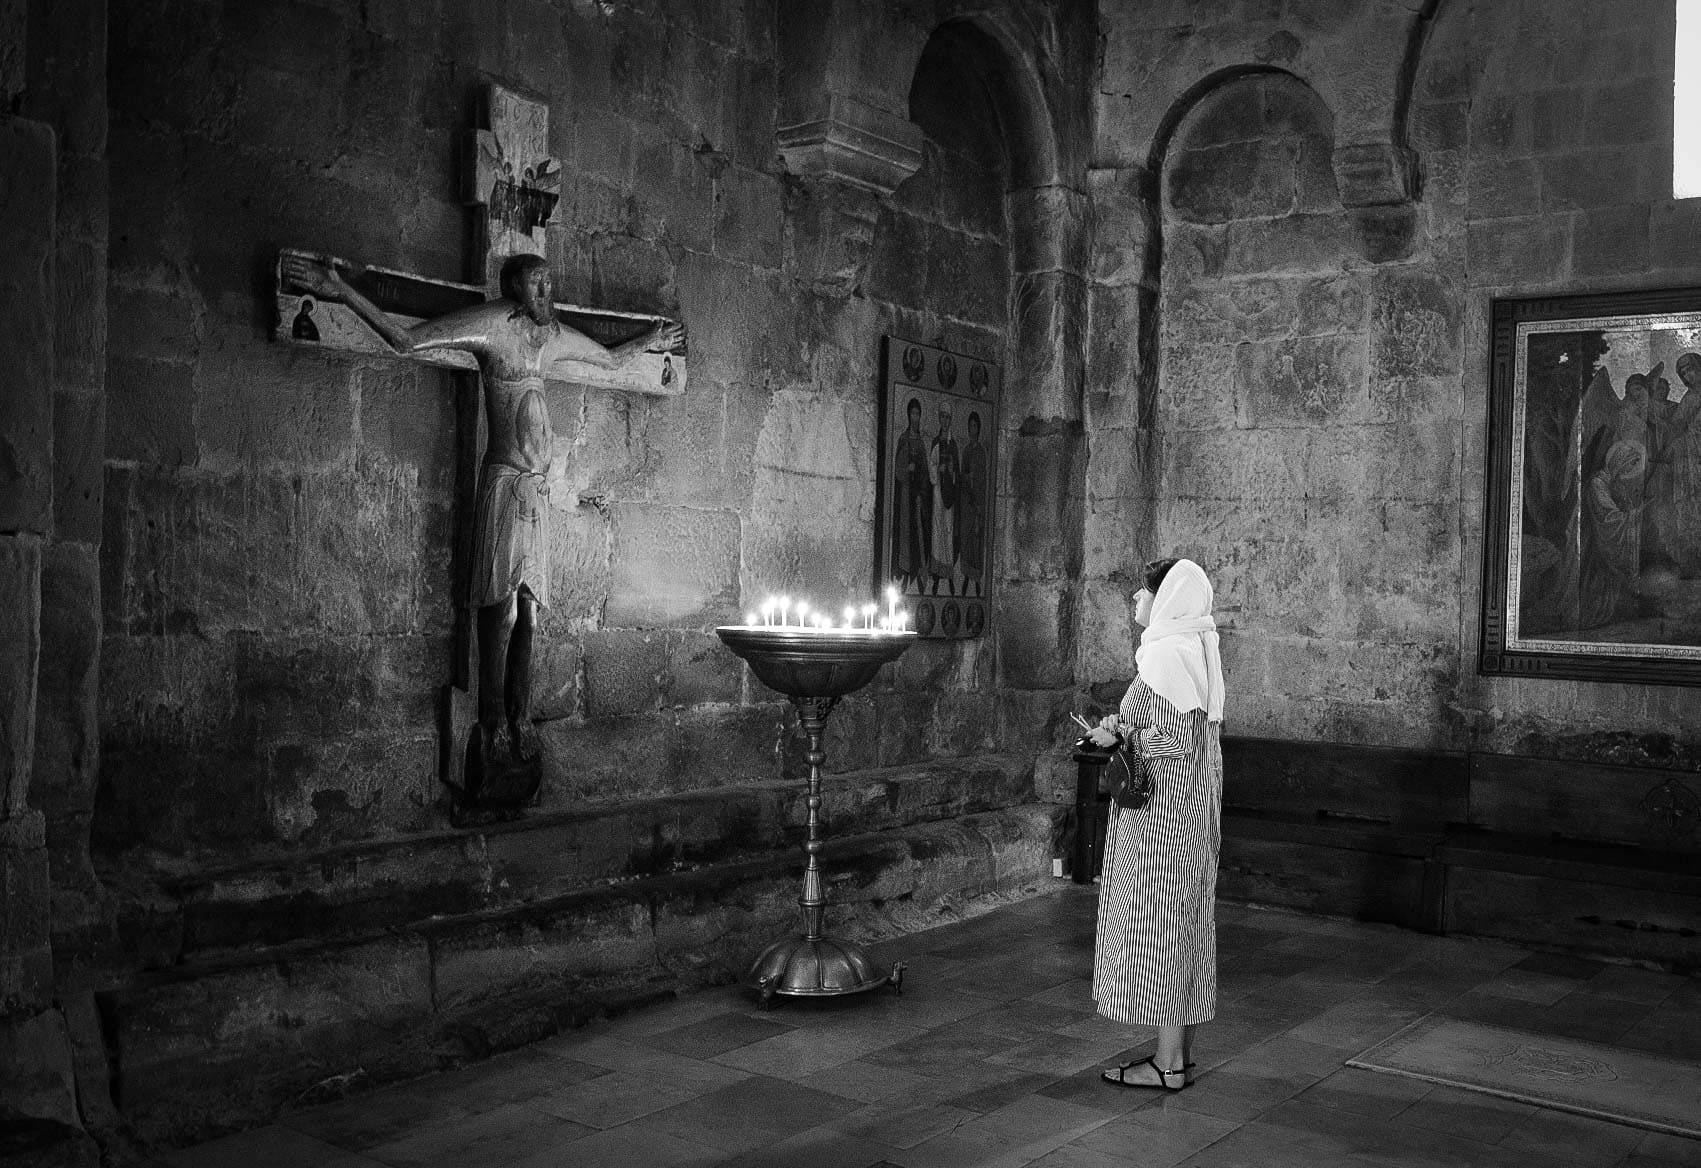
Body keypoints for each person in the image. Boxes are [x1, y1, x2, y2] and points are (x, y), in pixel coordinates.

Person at [280, 250, 683, 792]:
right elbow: (407, 340)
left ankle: (521, 719)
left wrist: (649, 340)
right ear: (514, 291)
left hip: (538, 495)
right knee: (500, 615)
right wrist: (341, 290)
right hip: (504, 486)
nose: (547, 296)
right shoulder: (492, 328)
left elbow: (609, 362)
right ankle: (491, 724)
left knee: (531, 616)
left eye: (548, 285)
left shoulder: (551, 335)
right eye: (536, 287)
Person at [1088, 557, 1226, 1091]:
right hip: (1190, 817)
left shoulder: (1166, 655)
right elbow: (1190, 735)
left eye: (1142, 594)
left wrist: (1120, 739)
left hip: (1161, 825)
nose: (1135, 602)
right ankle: (1177, 1060)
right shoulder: (1197, 651)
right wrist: (1124, 725)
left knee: (1163, 937)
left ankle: (1167, 1066)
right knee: (1184, 934)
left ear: (1165, 598)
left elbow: (1174, 743)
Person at [892, 397, 931, 589]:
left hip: (917, 496)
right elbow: (898, 470)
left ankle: (916, 571)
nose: (915, 417)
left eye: (918, 414)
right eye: (913, 413)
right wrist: (907, 467)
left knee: (918, 534)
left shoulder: (921, 443)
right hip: (906, 493)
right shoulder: (903, 439)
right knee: (905, 533)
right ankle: (903, 570)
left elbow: (925, 470)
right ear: (908, 415)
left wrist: (922, 493)